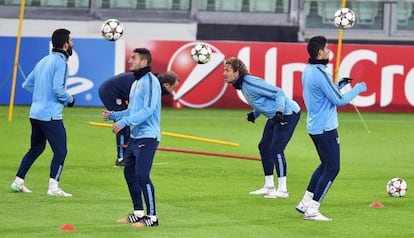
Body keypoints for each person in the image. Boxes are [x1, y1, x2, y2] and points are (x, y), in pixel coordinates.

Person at [297, 36, 367, 221]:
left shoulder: (308, 70)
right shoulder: (320, 73)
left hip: (315, 126)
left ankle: (305, 202)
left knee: (324, 165)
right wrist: (358, 88)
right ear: (319, 53)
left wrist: (338, 86)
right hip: (325, 128)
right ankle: (312, 209)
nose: (329, 52)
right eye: (326, 49)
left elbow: (323, 94)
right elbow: (339, 100)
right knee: (333, 168)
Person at [10, 28, 75, 197]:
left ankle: (18, 182)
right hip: (50, 115)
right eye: (71, 41)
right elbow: (58, 90)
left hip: (35, 113)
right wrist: (70, 99)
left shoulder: (44, 60)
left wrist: (40, 97)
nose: (73, 44)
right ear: (66, 44)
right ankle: (53, 188)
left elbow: (27, 85)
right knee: (61, 151)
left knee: (36, 148)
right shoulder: (61, 62)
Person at [223, 57, 301, 199]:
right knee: (264, 146)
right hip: (276, 115)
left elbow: (279, 93)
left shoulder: (251, 83)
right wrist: (255, 114)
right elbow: (261, 101)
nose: (224, 73)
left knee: (276, 149)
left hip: (288, 113)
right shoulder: (243, 85)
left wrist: (279, 112)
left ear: (237, 72)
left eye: (227, 70)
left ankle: (283, 190)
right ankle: (269, 186)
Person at [102, 48, 161, 227]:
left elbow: (148, 109)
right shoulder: (136, 83)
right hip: (135, 137)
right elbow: (134, 110)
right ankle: (138, 212)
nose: (130, 61)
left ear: (144, 62)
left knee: (142, 175)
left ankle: (152, 217)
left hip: (148, 137)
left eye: (134, 58)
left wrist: (125, 122)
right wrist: (114, 115)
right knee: (129, 173)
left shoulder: (151, 81)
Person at [99, 70, 180, 166]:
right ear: (166, 85)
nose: (173, 91)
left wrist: (114, 115)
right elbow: (137, 110)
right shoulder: (151, 86)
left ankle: (129, 155)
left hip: (117, 90)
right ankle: (121, 158)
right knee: (123, 126)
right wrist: (118, 118)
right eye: (173, 88)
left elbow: (134, 110)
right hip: (110, 91)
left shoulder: (152, 84)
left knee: (128, 122)